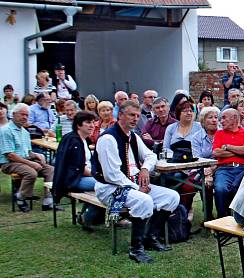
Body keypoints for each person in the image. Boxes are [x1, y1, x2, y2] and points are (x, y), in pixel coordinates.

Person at [93, 100, 179, 263]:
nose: (135, 119)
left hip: (131, 185)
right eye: (131, 115)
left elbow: (150, 155)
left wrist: (145, 168)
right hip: (109, 188)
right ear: (120, 115)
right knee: (144, 200)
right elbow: (112, 175)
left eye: (138, 116)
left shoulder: (132, 136)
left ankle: (150, 237)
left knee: (172, 197)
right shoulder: (108, 139)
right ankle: (136, 248)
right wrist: (137, 188)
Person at [0, 103, 57, 212]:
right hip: (9, 163)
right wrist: (31, 163)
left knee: (51, 170)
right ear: (13, 114)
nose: (25, 117)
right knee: (31, 172)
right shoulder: (5, 130)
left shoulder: (25, 132)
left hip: (24, 160)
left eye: (27, 115)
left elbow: (28, 152)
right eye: (22, 114)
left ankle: (48, 201)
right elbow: (10, 155)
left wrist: (36, 155)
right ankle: (20, 198)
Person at [52, 111, 102, 229]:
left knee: (105, 185)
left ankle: (86, 215)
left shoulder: (82, 139)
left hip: (80, 177)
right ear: (79, 125)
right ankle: (88, 216)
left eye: (93, 123)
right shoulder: (74, 141)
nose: (92, 125)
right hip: (72, 180)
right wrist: (98, 176)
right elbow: (80, 169)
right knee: (105, 186)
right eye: (88, 123)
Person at [212, 108, 244, 217]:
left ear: (235, 118)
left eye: (224, 118)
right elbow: (216, 153)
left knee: (238, 189)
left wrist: (227, 147)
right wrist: (241, 150)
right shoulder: (219, 133)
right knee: (220, 189)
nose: (221, 121)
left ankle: (238, 220)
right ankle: (221, 222)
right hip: (224, 169)